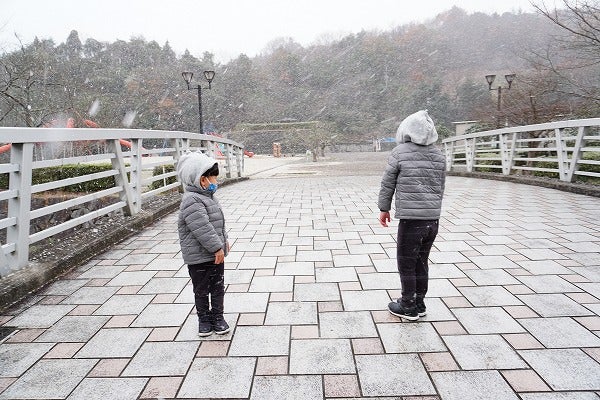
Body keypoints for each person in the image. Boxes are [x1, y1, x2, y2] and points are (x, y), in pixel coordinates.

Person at [378, 110, 446, 321]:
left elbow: (388, 183)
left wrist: (384, 208)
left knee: (406, 262)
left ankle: (407, 305)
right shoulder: (439, 154)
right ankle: (419, 302)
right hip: (432, 221)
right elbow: (440, 187)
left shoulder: (400, 152)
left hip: (411, 221)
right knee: (421, 261)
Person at [177, 151, 230, 336]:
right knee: (201, 290)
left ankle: (218, 317)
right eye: (211, 177)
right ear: (199, 179)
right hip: (199, 257)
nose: (214, 180)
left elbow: (218, 223)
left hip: (215, 254)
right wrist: (217, 247)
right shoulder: (192, 200)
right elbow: (202, 228)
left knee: (217, 287)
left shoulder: (208, 197)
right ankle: (204, 320)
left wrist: (224, 241)